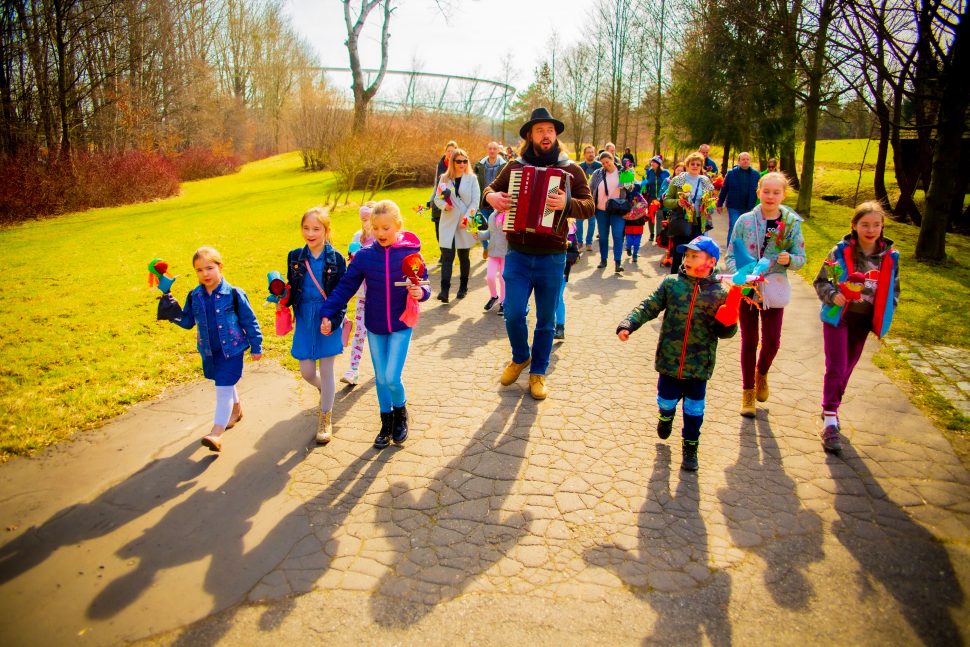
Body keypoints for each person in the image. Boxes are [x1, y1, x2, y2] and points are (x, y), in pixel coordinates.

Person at [483, 107, 595, 400]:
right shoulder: (515, 166)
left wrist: (566, 204)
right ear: (530, 136)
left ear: (555, 134)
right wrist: (492, 196)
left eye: (550, 130)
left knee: (546, 319)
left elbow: (590, 205)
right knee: (514, 313)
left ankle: (539, 372)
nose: (545, 135)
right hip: (518, 254)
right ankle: (521, 356)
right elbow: (489, 190)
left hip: (553, 256)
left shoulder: (571, 169)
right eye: (539, 131)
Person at [616, 236, 738, 471]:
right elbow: (649, 306)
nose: (688, 259)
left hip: (699, 366)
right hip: (670, 361)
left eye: (695, 255)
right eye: (686, 255)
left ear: (711, 262)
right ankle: (665, 415)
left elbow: (726, 332)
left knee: (694, 410)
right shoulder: (672, 284)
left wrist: (728, 321)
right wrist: (628, 324)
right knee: (666, 399)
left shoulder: (720, 293)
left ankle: (691, 447)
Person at [318, 200, 430, 449]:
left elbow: (425, 284)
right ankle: (385, 422)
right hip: (375, 324)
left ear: (398, 226)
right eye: (376, 228)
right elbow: (345, 286)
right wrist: (327, 311)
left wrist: (419, 293)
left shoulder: (411, 254)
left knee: (391, 376)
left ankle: (400, 413)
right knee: (380, 377)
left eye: (386, 228)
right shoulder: (365, 257)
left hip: (402, 323)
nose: (380, 233)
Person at [813, 201, 899, 453]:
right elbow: (821, 281)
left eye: (876, 224)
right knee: (837, 366)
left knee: (847, 368)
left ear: (882, 227)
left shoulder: (890, 257)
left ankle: (831, 407)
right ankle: (830, 420)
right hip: (838, 317)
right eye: (865, 224)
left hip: (864, 321)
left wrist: (884, 314)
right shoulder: (839, 253)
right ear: (854, 225)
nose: (871, 229)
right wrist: (832, 295)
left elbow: (894, 290)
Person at [725, 172, 806, 418]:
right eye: (766, 191)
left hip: (774, 288)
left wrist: (789, 259)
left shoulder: (790, 223)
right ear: (758, 191)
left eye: (776, 192)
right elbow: (730, 255)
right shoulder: (745, 221)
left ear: (784, 194)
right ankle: (747, 392)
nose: (771, 196)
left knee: (772, 342)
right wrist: (740, 274)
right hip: (749, 289)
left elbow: (802, 259)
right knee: (749, 342)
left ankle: (762, 373)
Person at [172, 246, 263, 452]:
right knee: (225, 383)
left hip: (232, 350)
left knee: (222, 389)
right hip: (209, 351)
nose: (205, 273)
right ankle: (237, 410)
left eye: (209, 268)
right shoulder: (194, 296)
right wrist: (171, 312)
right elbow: (187, 322)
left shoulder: (233, 294)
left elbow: (249, 320)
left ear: (220, 267)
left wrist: (256, 344)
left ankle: (216, 433)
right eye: (199, 270)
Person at [285, 207, 347, 444]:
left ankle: (325, 416)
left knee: (328, 369)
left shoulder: (337, 259)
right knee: (307, 372)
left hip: (327, 315)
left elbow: (341, 294)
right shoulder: (294, 257)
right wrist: (282, 299)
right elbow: (292, 288)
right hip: (304, 317)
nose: (310, 233)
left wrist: (331, 319)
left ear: (327, 230)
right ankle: (326, 391)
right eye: (306, 228)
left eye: (316, 229)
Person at [433, 147, 479, 303]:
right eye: (459, 161)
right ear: (452, 162)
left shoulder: (472, 179)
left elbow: (475, 202)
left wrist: (466, 219)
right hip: (448, 222)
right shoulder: (444, 179)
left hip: (465, 222)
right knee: (447, 256)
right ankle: (444, 290)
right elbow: (437, 199)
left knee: (464, 256)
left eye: (465, 161)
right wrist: (444, 206)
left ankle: (463, 287)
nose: (462, 164)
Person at [342, 202, 376, 386]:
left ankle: (383, 367)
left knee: (380, 333)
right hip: (363, 293)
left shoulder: (382, 237)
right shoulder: (358, 236)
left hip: (380, 294)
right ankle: (353, 370)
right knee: (360, 332)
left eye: (369, 219)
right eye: (363, 219)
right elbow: (352, 265)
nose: (366, 223)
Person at [663, 152, 715, 273]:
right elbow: (666, 200)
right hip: (682, 221)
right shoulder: (678, 180)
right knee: (678, 253)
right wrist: (678, 202)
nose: (695, 166)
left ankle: (691, 280)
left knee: (695, 254)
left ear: (701, 166)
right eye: (692, 164)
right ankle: (674, 279)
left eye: (698, 164)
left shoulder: (705, 181)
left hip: (699, 223)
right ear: (687, 165)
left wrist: (708, 206)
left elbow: (711, 203)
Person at [589, 151, 637, 273]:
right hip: (601, 210)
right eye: (603, 163)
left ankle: (617, 262)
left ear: (612, 160)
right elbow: (591, 189)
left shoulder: (624, 171)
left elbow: (631, 187)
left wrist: (625, 184)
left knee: (617, 235)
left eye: (607, 162)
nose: (605, 165)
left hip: (618, 210)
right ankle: (603, 260)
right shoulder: (597, 173)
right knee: (603, 236)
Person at [474, 142, 507, 260]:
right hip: (483, 202)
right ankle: (486, 247)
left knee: (495, 229)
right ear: (487, 150)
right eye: (490, 149)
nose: (492, 151)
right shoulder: (479, 166)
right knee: (483, 227)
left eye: (494, 149)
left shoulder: (504, 166)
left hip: (497, 204)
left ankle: (495, 253)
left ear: (498, 150)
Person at [717, 151, 760, 244]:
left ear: (750, 161)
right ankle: (730, 252)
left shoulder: (756, 175)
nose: (745, 161)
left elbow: (759, 191)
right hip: (734, 206)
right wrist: (719, 203)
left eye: (747, 159)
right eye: (743, 159)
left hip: (748, 207)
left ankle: (743, 252)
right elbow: (724, 189)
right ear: (739, 161)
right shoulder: (731, 173)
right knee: (734, 227)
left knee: (746, 230)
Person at [473, 207, 509, 314]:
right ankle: (494, 297)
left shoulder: (510, 215)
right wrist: (478, 234)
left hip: (505, 254)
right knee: (490, 277)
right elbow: (490, 233)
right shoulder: (493, 215)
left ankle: (503, 302)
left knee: (503, 278)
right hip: (493, 252)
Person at [555, 219, 582, 339]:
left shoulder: (570, 231)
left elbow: (575, 254)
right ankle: (548, 327)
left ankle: (560, 327)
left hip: (562, 272)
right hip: (544, 271)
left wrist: (561, 257)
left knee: (557, 298)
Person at [428, 141, 457, 243]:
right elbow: (436, 185)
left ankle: (447, 255)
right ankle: (443, 254)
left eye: (452, 151)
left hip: (452, 203)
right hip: (439, 200)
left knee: (450, 232)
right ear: (445, 152)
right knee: (438, 230)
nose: (450, 153)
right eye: (448, 151)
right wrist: (431, 200)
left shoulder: (459, 165)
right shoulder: (440, 165)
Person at [577, 144, 603, 251]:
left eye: (592, 152)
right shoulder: (579, 167)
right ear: (584, 154)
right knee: (579, 221)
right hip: (580, 198)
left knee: (592, 222)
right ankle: (579, 242)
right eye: (588, 152)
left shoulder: (599, 166)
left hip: (594, 199)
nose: (591, 154)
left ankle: (589, 242)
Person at [641, 155, 670, 243]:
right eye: (651, 162)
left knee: (661, 216)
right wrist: (644, 185)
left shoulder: (665, 172)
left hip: (662, 198)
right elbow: (647, 182)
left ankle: (660, 235)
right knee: (651, 215)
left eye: (654, 162)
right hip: (652, 197)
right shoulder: (649, 171)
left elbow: (668, 183)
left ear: (658, 164)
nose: (652, 163)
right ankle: (652, 234)